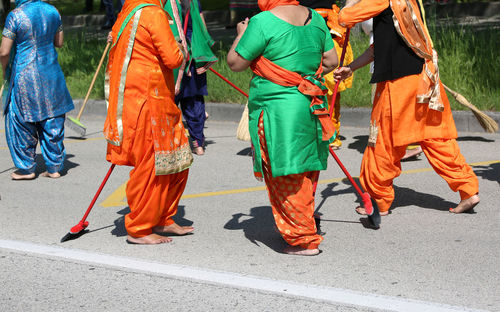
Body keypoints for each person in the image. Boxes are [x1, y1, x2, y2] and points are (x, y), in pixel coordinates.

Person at [334, 0, 479, 215]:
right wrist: (351, 68)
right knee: (433, 138)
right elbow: (381, 46)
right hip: (423, 79)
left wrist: (351, 1)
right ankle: (468, 190)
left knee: (384, 140)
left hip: (400, 83)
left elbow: (344, 18)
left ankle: (379, 199)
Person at [227, 0, 338, 255]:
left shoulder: (262, 22)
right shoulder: (315, 18)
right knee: (306, 169)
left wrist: (241, 35)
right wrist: (303, 72)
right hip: (311, 104)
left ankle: (303, 239)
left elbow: (235, 62)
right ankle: (304, 219)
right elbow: (330, 60)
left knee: (285, 172)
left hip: (279, 109)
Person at [104, 0, 194, 244]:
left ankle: (163, 217)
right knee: (152, 164)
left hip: (149, 97)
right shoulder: (152, 13)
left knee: (176, 158)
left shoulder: (128, 11)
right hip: (148, 99)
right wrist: (181, 47)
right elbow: (173, 58)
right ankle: (140, 228)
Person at [0, 0, 74, 180]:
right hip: (51, 73)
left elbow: (4, 52)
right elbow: (59, 42)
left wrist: (5, 72)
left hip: (25, 74)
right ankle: (54, 167)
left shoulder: (15, 15)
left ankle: (26, 168)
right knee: (52, 116)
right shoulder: (53, 11)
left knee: (20, 119)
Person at [175, 0, 217, 155]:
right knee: (194, 102)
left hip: (173, 58)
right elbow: (203, 31)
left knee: (170, 103)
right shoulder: (194, 3)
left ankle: (167, 142)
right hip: (193, 58)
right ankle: (198, 144)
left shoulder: (163, 4)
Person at [317, 4, 353, 149]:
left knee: (326, 96)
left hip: (327, 46)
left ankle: (329, 135)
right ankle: (330, 135)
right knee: (330, 97)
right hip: (331, 45)